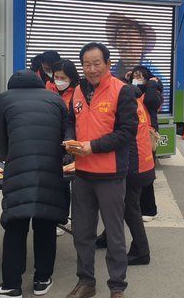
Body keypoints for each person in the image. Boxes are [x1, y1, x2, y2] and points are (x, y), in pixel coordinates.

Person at [64, 42, 138, 298]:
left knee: (115, 235)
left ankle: (117, 287)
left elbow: (127, 133)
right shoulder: (76, 92)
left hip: (110, 175)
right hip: (82, 174)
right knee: (82, 233)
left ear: (107, 64)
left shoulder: (122, 91)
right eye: (87, 64)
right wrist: (71, 141)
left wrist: (92, 147)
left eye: (97, 63)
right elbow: (70, 122)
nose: (92, 69)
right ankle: (86, 283)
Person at [0, 70, 69, 298]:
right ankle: (42, 280)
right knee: (45, 223)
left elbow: (0, 135)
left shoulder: (4, 98)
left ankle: (11, 286)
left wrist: (7, 155)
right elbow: (64, 134)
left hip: (18, 169)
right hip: (50, 170)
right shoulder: (55, 98)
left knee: (16, 225)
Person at [95, 65, 157, 267]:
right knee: (121, 204)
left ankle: (142, 251)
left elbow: (118, 135)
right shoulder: (135, 99)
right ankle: (106, 237)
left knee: (130, 208)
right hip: (142, 160)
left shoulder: (126, 101)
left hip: (134, 163)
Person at [46, 58, 81, 236]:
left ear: (71, 78)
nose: (58, 80)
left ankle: (66, 217)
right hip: (50, 140)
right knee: (55, 183)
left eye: (63, 77)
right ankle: (58, 215)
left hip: (69, 142)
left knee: (68, 181)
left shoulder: (77, 93)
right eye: (56, 76)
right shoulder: (48, 88)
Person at [130, 66, 162, 221]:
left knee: (147, 175)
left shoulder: (153, 93)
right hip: (134, 137)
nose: (137, 78)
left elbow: (150, 101)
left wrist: (150, 84)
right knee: (136, 174)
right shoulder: (130, 91)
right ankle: (137, 207)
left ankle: (149, 210)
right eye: (135, 75)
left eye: (141, 76)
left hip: (148, 135)